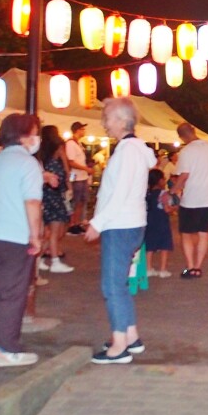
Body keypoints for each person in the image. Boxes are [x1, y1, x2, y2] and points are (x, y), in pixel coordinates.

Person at [85, 98, 156, 364]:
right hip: (132, 222)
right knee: (120, 283)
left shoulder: (127, 151)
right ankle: (130, 335)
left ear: (121, 120)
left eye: (107, 118)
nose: (105, 123)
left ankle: (118, 346)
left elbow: (119, 192)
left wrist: (98, 222)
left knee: (112, 285)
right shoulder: (137, 149)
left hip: (120, 224)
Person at [0, 112, 43, 368]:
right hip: (14, 236)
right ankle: (6, 348)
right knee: (13, 294)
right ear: (25, 135)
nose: (37, 137)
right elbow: (32, 202)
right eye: (34, 132)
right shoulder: (28, 164)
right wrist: (35, 237)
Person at [171, 122, 208, 279]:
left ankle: (190, 265)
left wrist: (174, 190)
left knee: (186, 233)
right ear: (193, 131)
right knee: (203, 233)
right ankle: (198, 267)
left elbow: (183, 176)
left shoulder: (186, 151)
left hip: (191, 199)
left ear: (181, 136)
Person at [37, 125, 74, 275]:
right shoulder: (57, 149)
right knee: (55, 229)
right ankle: (54, 260)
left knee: (48, 230)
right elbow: (66, 169)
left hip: (45, 194)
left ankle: (39, 258)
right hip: (56, 194)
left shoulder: (41, 152)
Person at [144, 168, 175, 278]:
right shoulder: (163, 194)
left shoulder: (146, 193)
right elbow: (167, 209)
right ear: (160, 181)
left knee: (149, 245)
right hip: (161, 221)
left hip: (148, 221)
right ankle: (163, 269)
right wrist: (174, 208)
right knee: (164, 245)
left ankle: (148, 268)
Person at [65, 122, 92, 234]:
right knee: (75, 200)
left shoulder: (78, 144)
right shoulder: (71, 144)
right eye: (82, 129)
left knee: (81, 201)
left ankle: (77, 222)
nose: (84, 131)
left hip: (82, 176)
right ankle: (72, 224)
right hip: (76, 177)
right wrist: (85, 168)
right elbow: (71, 162)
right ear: (77, 130)